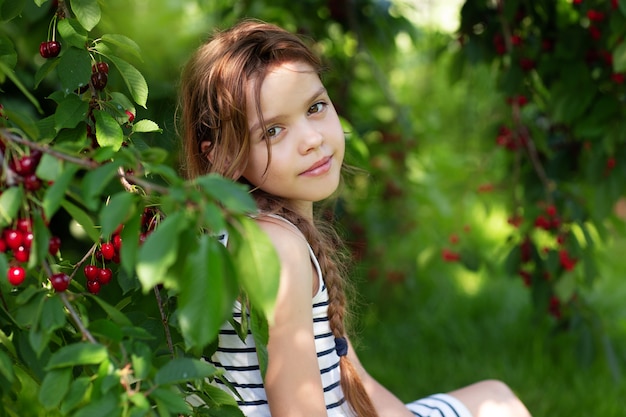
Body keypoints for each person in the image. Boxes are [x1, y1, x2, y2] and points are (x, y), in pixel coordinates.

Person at [178, 19, 533, 417]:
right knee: (498, 405)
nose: (312, 139)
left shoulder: (235, 232)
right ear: (219, 152)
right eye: (274, 131)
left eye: (315, 108)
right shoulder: (277, 248)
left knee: (495, 398)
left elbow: (353, 378)